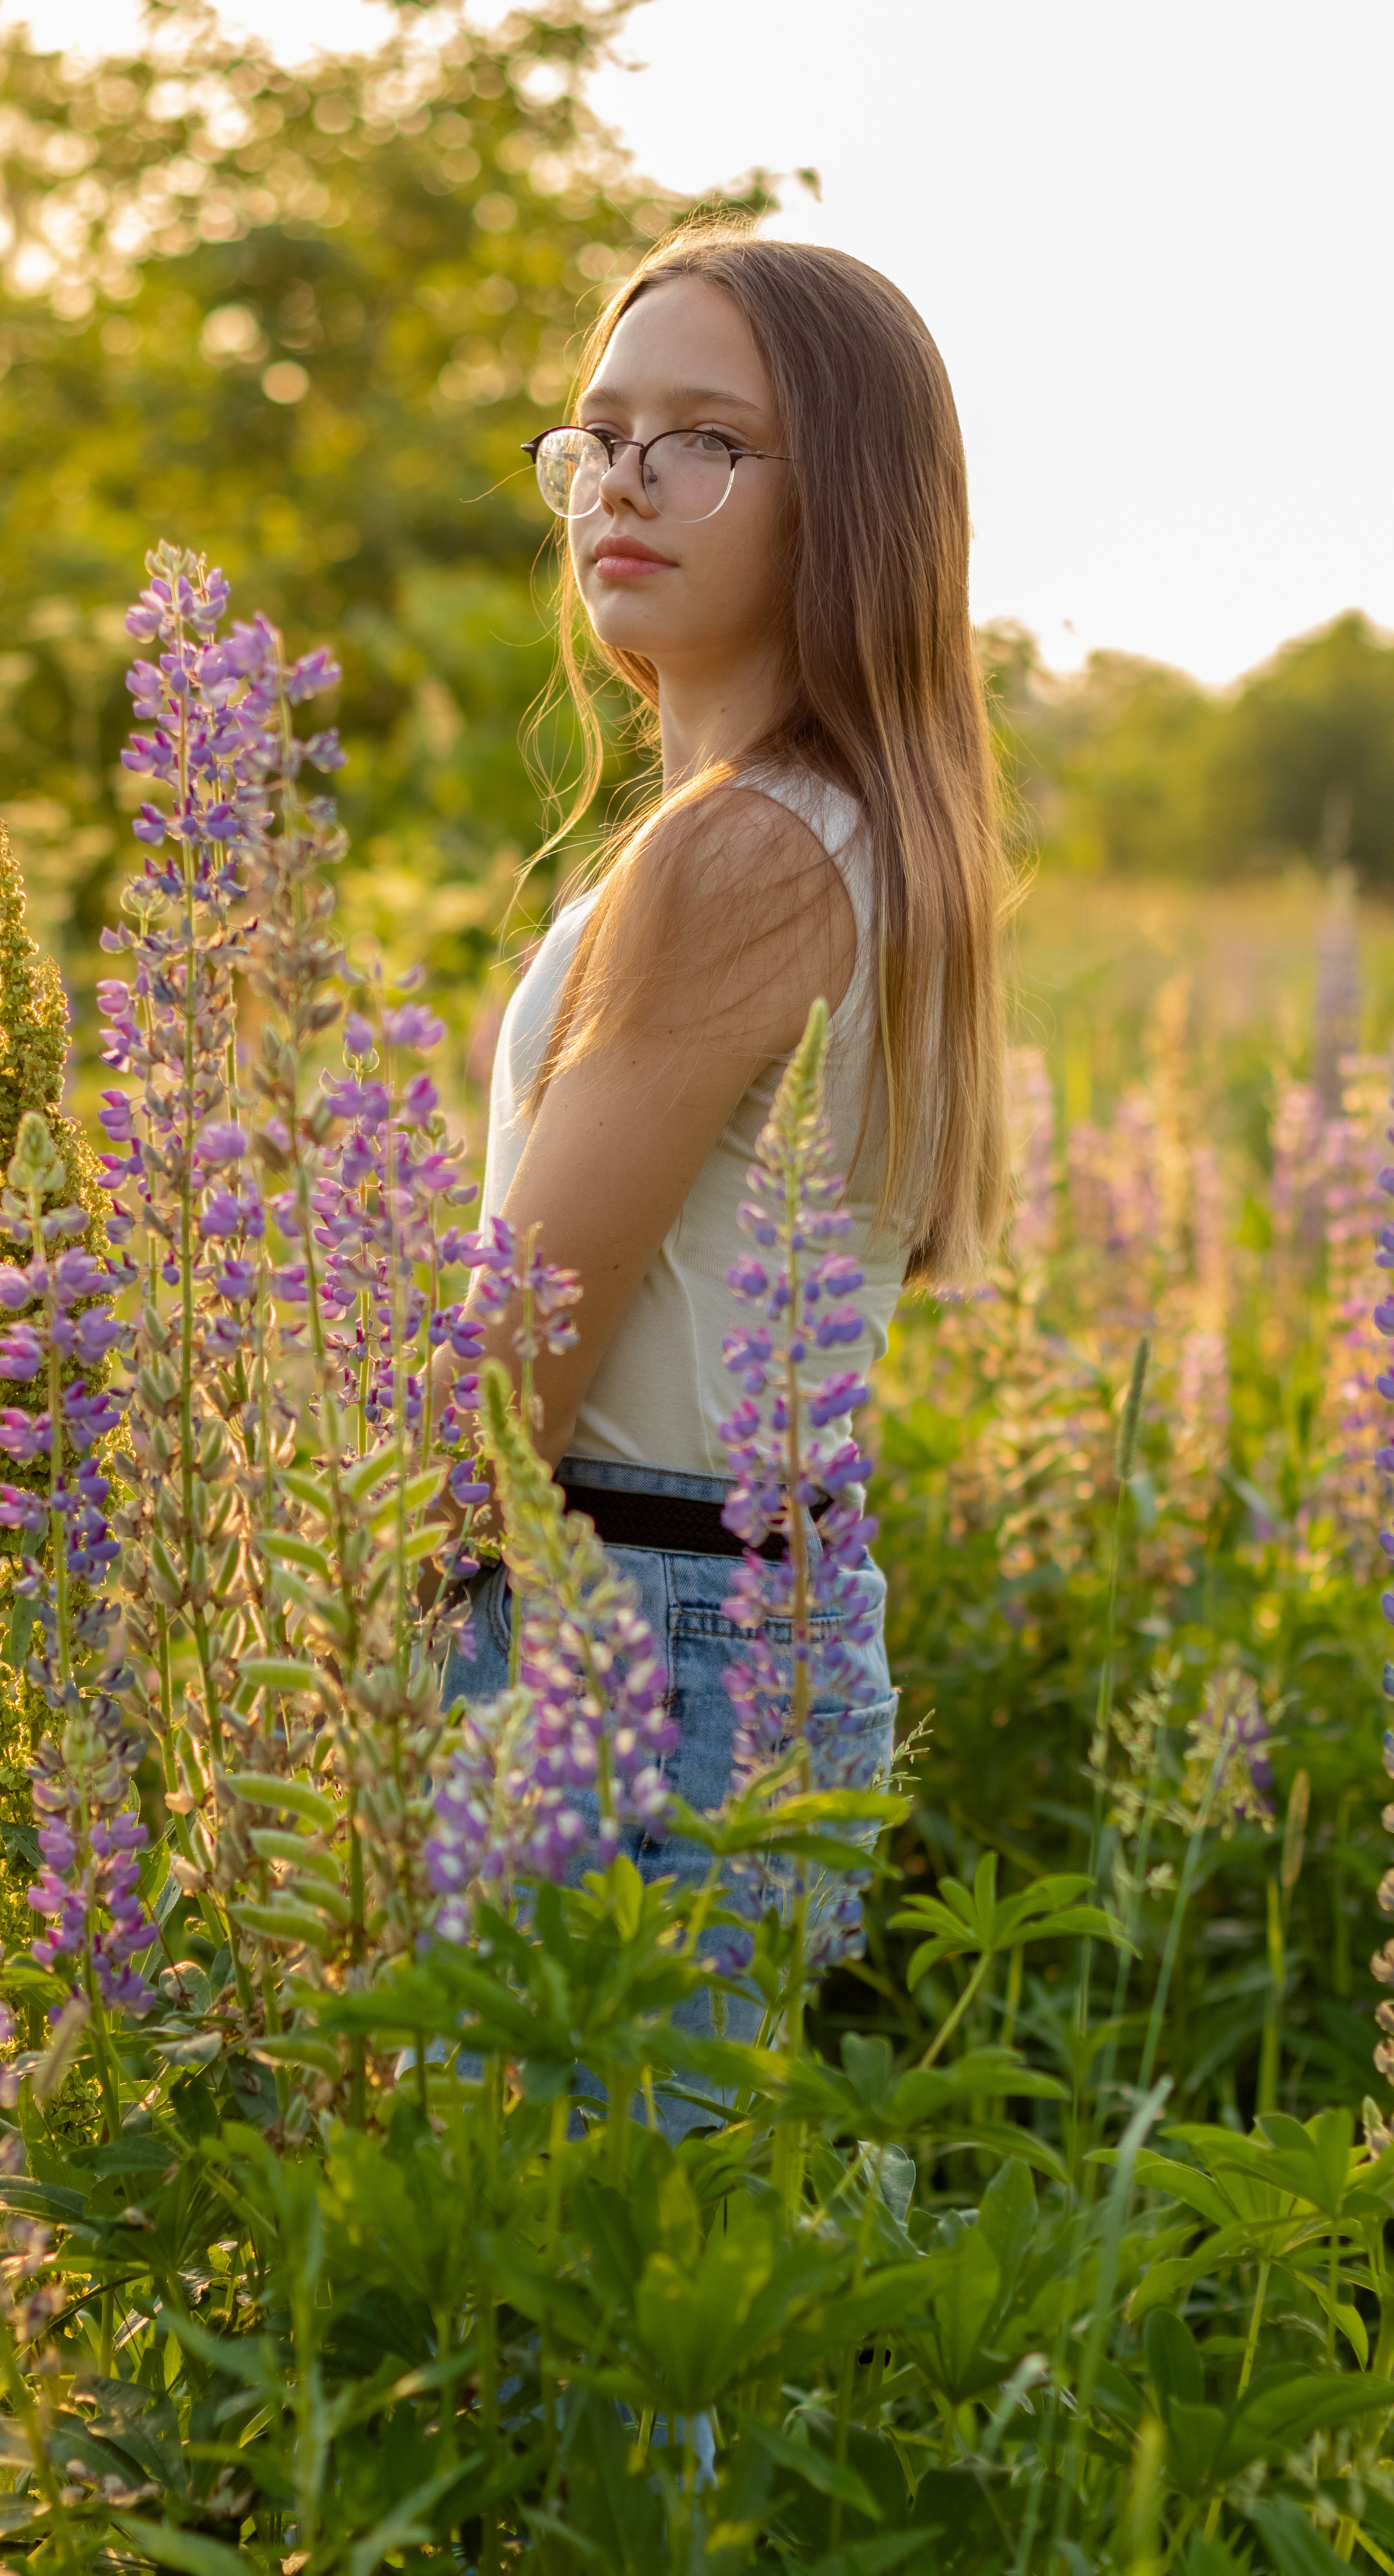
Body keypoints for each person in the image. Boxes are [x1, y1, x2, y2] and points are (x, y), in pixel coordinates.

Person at [442, 217, 1009, 2092]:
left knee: (565, 2332)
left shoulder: (742, 849)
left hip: (632, 1626)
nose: (623, 481)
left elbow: (522, 1330)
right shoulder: (854, 824)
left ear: (839, 501)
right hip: (741, 1610)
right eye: (597, 436)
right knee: (634, 2307)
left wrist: (312, 1606)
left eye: (703, 439)